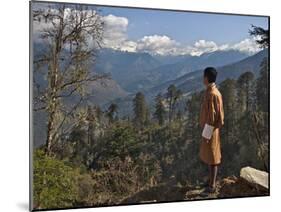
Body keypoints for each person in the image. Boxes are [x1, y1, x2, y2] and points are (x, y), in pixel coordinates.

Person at [199, 67, 224, 192]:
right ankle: (210, 181)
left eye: (203, 76)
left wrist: (206, 135)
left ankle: (212, 186)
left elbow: (212, 118)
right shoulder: (214, 91)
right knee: (210, 156)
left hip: (211, 130)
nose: (202, 78)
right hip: (212, 130)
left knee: (213, 158)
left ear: (206, 78)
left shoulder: (211, 94)